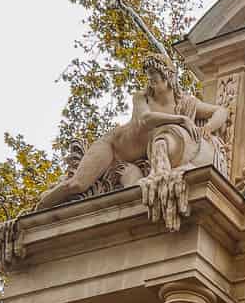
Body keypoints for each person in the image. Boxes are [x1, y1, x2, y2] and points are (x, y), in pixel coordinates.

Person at [37, 54, 227, 210]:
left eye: (154, 73)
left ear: (168, 75)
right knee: (77, 185)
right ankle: (40, 206)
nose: (150, 79)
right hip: (112, 148)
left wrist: (207, 129)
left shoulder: (186, 103)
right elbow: (144, 120)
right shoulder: (141, 98)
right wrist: (181, 119)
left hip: (133, 164)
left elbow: (221, 111)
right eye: (148, 74)